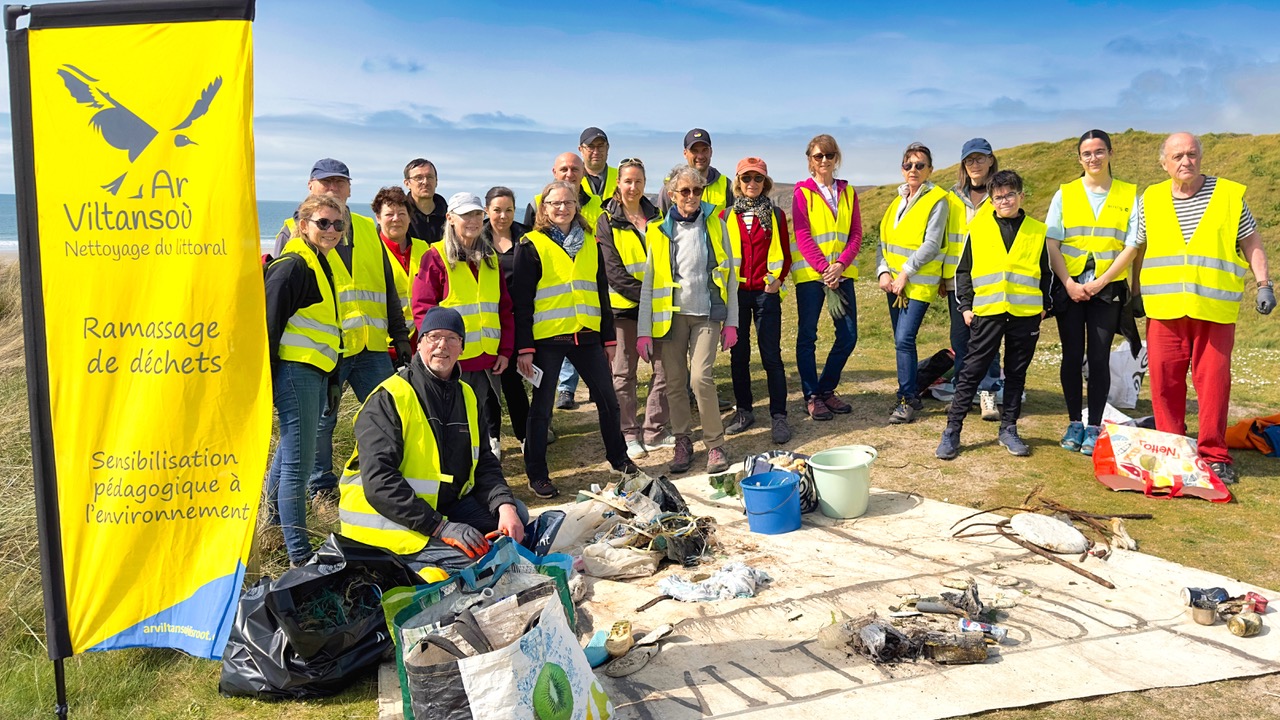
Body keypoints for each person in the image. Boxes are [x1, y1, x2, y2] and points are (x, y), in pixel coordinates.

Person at [338, 306, 528, 573]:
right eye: (434, 337)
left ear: (462, 347)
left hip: (440, 507)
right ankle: (404, 568)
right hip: (387, 521)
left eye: (452, 338)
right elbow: (379, 482)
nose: (442, 346)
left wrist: (504, 504)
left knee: (516, 516)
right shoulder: (390, 397)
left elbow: (484, 461)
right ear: (420, 343)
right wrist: (442, 527)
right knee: (477, 563)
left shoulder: (467, 395)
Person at [1132, 132, 1274, 485]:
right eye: (1177, 156)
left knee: (1212, 385)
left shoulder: (1228, 195)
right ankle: (1173, 449)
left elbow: (1251, 240)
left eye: (1192, 154)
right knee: (1164, 383)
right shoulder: (1149, 198)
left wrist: (1264, 283)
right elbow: (1139, 248)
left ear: (1201, 157)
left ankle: (1214, 454)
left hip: (1214, 310)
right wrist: (1134, 292)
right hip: (1164, 310)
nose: (1186, 161)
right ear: (1164, 162)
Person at [274, 159, 412, 506]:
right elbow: (279, 293)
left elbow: (386, 287)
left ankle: (383, 478)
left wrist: (399, 336)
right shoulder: (293, 229)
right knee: (322, 423)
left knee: (388, 412)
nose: (333, 189)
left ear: (350, 189)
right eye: (326, 183)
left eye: (340, 183)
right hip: (325, 350)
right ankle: (322, 487)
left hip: (370, 346)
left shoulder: (367, 228)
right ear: (311, 187)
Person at [513, 180, 638, 498]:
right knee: (541, 409)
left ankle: (619, 459)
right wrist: (525, 348)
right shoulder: (530, 245)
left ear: (576, 206)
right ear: (544, 207)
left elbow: (601, 294)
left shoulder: (590, 242)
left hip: (587, 336)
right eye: (554, 203)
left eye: (568, 202)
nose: (562, 208)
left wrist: (609, 338)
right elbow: (522, 302)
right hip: (547, 340)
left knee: (608, 401)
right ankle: (537, 474)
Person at [936, 170, 1052, 460]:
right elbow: (963, 271)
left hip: (1025, 314)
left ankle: (1009, 428)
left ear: (1021, 195)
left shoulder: (1038, 231)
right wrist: (965, 306)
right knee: (971, 371)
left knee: (1016, 374)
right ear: (991, 200)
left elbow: (1047, 273)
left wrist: (1045, 307)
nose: (1004, 201)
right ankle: (952, 431)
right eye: (998, 197)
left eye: (1010, 194)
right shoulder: (978, 228)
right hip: (987, 313)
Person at [1044, 129, 1141, 455]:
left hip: (1107, 288)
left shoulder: (1129, 194)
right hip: (1070, 287)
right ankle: (1074, 422)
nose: (1093, 158)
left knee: (1099, 357)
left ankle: (1095, 424)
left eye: (1099, 151)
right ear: (1080, 158)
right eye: (1087, 153)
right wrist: (1069, 282)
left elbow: (1132, 246)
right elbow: (1052, 242)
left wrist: (1102, 281)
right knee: (1071, 356)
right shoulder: (1065, 193)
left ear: (1110, 153)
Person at [638, 164, 739, 474]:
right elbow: (650, 282)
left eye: (697, 190)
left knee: (700, 378)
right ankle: (683, 440)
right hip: (671, 318)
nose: (692, 196)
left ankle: (715, 444)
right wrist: (644, 331)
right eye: (685, 191)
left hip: (707, 313)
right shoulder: (657, 230)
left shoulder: (715, 223)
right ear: (672, 195)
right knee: (675, 382)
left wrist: (732, 321)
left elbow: (730, 274)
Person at [263, 194, 345, 566]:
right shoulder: (294, 264)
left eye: (337, 224)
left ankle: (272, 526)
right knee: (298, 464)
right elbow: (269, 322)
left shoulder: (319, 263)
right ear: (303, 222)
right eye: (323, 222)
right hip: (296, 373)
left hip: (312, 371)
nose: (331, 230)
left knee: (287, 457)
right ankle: (299, 555)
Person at [411, 192, 514, 454]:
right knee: (447, 423)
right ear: (450, 219)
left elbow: (503, 309)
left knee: (477, 419)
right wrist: (437, 352)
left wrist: (505, 350)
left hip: (486, 360)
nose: (473, 220)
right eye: (466, 214)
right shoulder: (434, 257)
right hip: (450, 362)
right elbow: (422, 310)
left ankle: (480, 469)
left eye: (478, 214)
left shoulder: (491, 258)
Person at [597, 157, 671, 460]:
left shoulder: (658, 215)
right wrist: (649, 296)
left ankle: (655, 430)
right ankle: (628, 433)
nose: (633, 186)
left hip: (658, 309)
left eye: (638, 181)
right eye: (627, 181)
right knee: (624, 374)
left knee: (665, 369)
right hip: (624, 309)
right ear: (618, 183)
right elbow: (612, 271)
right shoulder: (606, 220)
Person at [521, 151, 604, 410]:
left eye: (575, 170)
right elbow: (530, 245)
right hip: (551, 325)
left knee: (606, 398)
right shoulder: (537, 203)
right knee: (542, 402)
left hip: (586, 320)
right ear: (554, 172)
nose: (569, 174)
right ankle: (566, 390)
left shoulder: (597, 203)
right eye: (564, 169)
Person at [876, 143, 950, 424]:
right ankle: (912, 395)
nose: (913, 170)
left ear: (930, 169)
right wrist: (883, 271)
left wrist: (905, 272)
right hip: (894, 286)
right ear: (902, 169)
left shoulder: (937, 200)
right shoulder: (897, 200)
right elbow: (883, 241)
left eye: (920, 165)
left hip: (917, 284)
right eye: (908, 165)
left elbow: (931, 243)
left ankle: (905, 398)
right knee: (903, 342)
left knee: (903, 338)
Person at [721, 157, 793, 443]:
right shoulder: (725, 217)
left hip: (766, 294)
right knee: (739, 356)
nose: (752, 183)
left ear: (766, 182)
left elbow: (785, 254)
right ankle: (745, 411)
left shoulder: (775, 215)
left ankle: (779, 415)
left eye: (758, 178)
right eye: (746, 178)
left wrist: (778, 281)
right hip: (736, 294)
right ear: (738, 182)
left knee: (771, 356)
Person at [791, 134, 860, 421]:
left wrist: (840, 265)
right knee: (808, 336)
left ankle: (826, 389)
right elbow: (803, 234)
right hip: (811, 275)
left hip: (841, 275)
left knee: (848, 335)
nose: (824, 161)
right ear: (810, 160)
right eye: (818, 156)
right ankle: (811, 396)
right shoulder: (801, 193)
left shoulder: (849, 192)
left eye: (829, 155)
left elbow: (855, 234)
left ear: (836, 158)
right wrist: (824, 268)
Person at [482, 186, 550, 451]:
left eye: (508, 209)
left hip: (520, 319)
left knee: (514, 379)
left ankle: (525, 436)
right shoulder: (478, 238)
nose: (503, 216)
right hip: (487, 320)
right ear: (487, 210)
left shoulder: (527, 237)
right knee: (489, 382)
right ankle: (493, 437)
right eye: (497, 210)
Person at [944, 139, 1004, 420]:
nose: (975, 165)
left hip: (991, 281)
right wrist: (943, 278)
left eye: (980, 159)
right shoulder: (951, 197)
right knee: (960, 340)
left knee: (988, 342)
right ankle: (962, 393)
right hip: (958, 283)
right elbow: (944, 238)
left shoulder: (1000, 196)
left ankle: (988, 394)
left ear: (991, 160)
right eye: (969, 160)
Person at [374, 186, 430, 354]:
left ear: (410, 217)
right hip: (385, 345)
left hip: (422, 342)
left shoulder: (425, 249)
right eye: (389, 214)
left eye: (402, 214)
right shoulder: (371, 250)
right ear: (378, 217)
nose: (396, 219)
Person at [658, 128, 735, 216]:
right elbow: (661, 223)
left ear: (711, 152)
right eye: (694, 151)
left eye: (704, 150)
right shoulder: (671, 185)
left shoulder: (726, 185)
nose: (700, 156)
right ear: (685, 153)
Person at [403, 158, 447, 244]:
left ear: (436, 181)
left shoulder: (450, 216)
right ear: (407, 183)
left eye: (430, 177)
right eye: (418, 177)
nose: (425, 182)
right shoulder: (399, 215)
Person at [579, 127, 618, 208]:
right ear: (581, 150)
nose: (596, 152)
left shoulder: (622, 177)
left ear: (607, 148)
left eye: (600, 146)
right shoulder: (571, 178)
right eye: (591, 146)